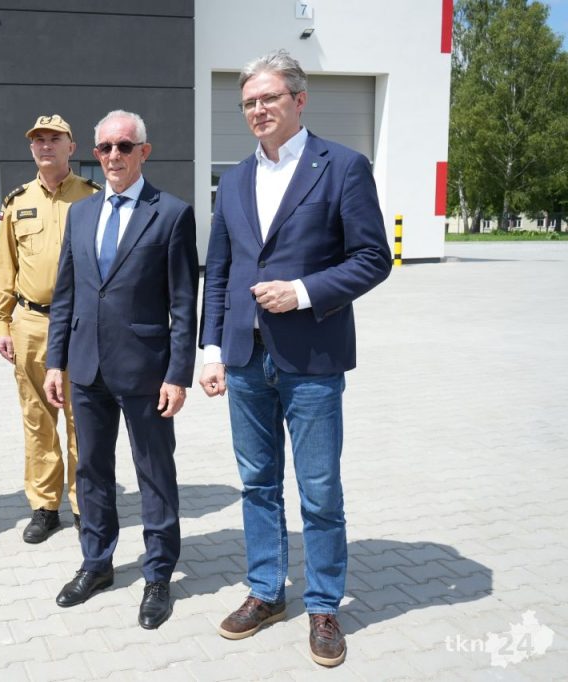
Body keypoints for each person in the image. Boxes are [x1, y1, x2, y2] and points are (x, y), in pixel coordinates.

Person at [199, 50, 392, 666]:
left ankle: (324, 605)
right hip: (245, 360)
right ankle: (265, 591)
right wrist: (211, 349)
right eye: (249, 102)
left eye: (269, 98)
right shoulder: (234, 178)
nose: (257, 109)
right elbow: (220, 271)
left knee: (319, 490)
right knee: (258, 483)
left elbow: (373, 258)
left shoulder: (343, 167)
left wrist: (303, 292)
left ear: (299, 100)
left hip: (312, 357)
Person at [43, 110, 198, 630]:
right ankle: (97, 563)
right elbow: (65, 295)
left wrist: (178, 374)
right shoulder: (81, 214)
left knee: (154, 472)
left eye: (124, 146)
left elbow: (184, 304)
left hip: (146, 371)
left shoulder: (171, 214)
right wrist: (56, 361)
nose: (114, 155)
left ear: (143, 152)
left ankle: (158, 574)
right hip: (87, 367)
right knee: (91, 470)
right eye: (106, 147)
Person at [0, 114, 101, 544]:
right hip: (32, 323)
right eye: (38, 140)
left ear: (71, 147)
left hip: (81, 324)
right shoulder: (17, 202)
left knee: (82, 418)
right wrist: (1, 322)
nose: (46, 145)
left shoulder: (93, 197)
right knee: (37, 419)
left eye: (55, 139)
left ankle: (84, 503)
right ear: (31, 148)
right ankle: (44, 506)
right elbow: (5, 267)